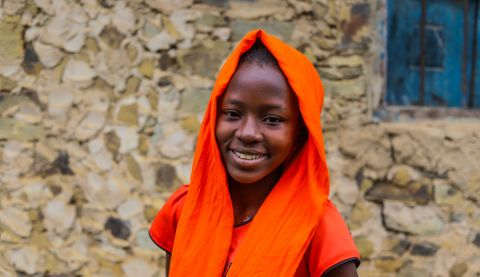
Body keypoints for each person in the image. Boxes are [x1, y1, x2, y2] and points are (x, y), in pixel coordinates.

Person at [150, 29, 360, 276]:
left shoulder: (319, 228)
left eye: (272, 119)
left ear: (301, 133)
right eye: (232, 114)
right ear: (213, 118)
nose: (247, 133)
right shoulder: (184, 211)